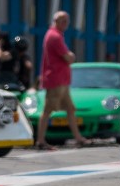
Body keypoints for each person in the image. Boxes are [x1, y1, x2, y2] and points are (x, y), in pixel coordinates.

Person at [35, 11, 89, 150]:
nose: (66, 24)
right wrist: (71, 55)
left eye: (67, 21)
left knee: (70, 108)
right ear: (56, 21)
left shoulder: (55, 35)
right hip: (56, 80)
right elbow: (68, 57)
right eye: (63, 21)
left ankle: (78, 138)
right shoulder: (54, 36)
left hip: (61, 80)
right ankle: (40, 140)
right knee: (47, 110)